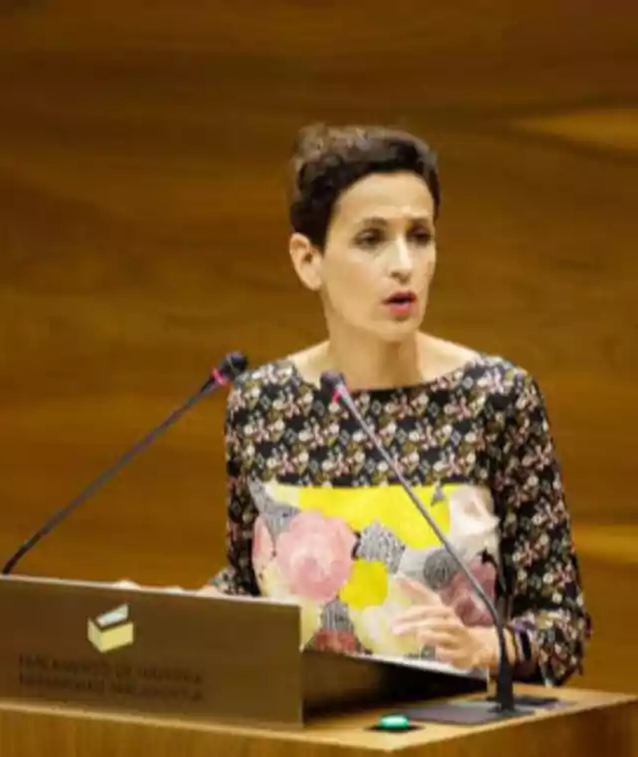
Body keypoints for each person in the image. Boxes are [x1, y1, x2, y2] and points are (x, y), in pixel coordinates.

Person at [205, 123, 591, 686]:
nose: (404, 264)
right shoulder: (263, 404)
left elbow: (562, 627)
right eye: (371, 239)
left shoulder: (494, 398)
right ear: (307, 259)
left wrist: (483, 647)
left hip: (449, 747)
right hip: (301, 748)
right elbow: (246, 588)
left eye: (420, 235)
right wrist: (169, 614)